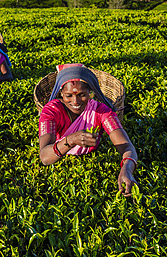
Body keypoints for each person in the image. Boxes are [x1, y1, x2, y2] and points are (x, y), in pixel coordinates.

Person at [38, 64, 137, 196]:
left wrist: (127, 169)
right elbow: (45, 157)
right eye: (68, 95)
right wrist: (71, 140)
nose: (75, 101)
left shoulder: (101, 111)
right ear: (61, 93)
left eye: (82, 95)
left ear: (90, 92)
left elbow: (127, 147)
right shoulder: (52, 111)